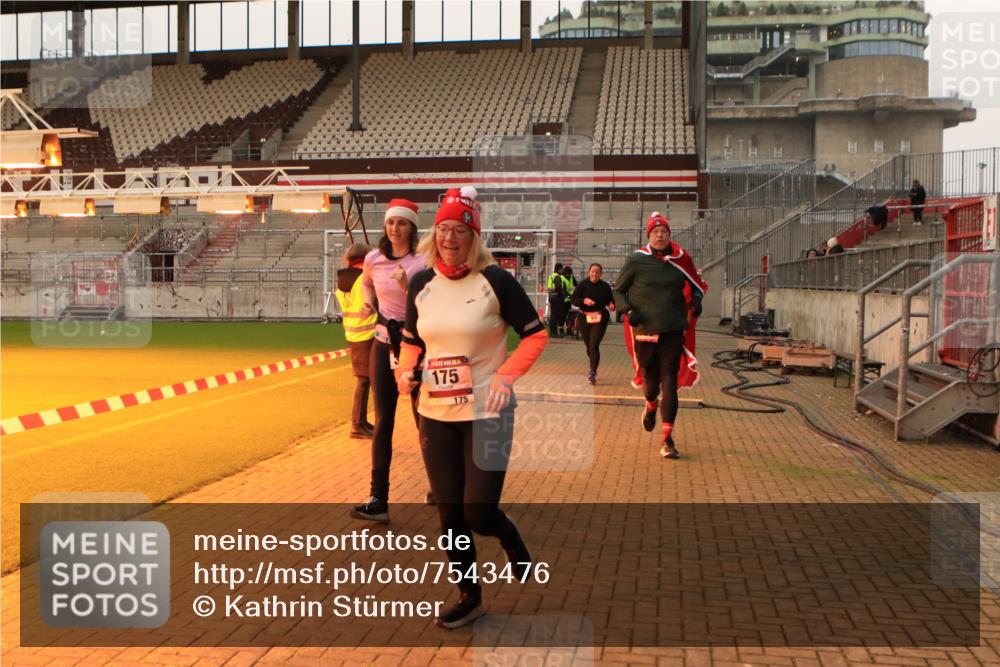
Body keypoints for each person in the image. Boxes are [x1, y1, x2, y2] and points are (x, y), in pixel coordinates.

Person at [395, 186, 548, 629]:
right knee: (450, 512)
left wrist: (505, 376)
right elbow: (411, 341)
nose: (449, 238)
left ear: (474, 236)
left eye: (459, 230)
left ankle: (507, 534)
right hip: (435, 413)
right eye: (443, 229)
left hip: (489, 410)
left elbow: (536, 335)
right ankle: (470, 594)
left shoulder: (496, 282)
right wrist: (406, 371)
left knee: (478, 512)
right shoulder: (422, 283)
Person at [351, 199, 429, 524]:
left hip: (414, 344)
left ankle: (441, 486)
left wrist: (406, 286)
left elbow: (430, 302)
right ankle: (378, 498)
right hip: (383, 344)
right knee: (383, 421)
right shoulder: (373, 259)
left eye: (401, 223)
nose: (394, 228)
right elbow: (367, 286)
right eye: (390, 222)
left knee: (424, 420)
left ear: (411, 228)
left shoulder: (422, 261)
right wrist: (369, 305)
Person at [614, 212, 707, 460]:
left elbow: (697, 285)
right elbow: (618, 291)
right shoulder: (637, 260)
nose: (660, 235)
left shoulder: (680, 259)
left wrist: (696, 302)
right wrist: (627, 310)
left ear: (669, 235)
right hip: (645, 331)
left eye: (664, 232)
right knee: (651, 384)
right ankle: (650, 405)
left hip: (673, 329)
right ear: (649, 235)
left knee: (670, 382)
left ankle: (667, 439)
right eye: (655, 232)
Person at [335, 242, 377, 439]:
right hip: (368, 335)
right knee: (363, 381)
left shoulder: (342, 282)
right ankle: (357, 425)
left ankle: (361, 422)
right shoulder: (365, 280)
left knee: (364, 379)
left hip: (352, 334)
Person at [570, 263, 614, 384]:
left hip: (600, 318)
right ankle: (594, 361)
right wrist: (584, 300)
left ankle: (592, 372)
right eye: (592, 271)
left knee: (594, 345)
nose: (594, 274)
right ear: (589, 272)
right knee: (589, 347)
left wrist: (611, 304)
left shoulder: (605, 286)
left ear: (601, 274)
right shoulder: (582, 285)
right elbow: (573, 299)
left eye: (597, 272)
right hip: (584, 318)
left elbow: (611, 299)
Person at [546, 262, 567, 337]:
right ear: (560, 269)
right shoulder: (557, 276)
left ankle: (552, 332)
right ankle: (553, 333)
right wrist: (562, 295)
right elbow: (558, 287)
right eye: (562, 269)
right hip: (556, 297)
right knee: (555, 315)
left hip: (551, 297)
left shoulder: (551, 275)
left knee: (553, 315)